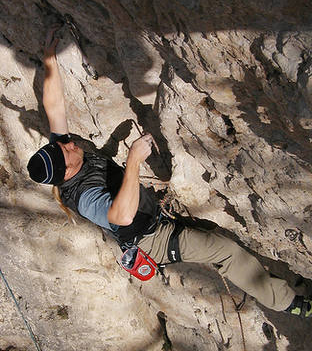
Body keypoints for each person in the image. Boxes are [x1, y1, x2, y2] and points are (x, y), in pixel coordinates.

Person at [27, 27, 312, 319]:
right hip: (152, 240)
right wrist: (135, 160)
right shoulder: (84, 197)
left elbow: (54, 106)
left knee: (214, 235)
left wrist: (49, 58)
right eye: (67, 149)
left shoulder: (63, 156)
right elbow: (121, 217)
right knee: (226, 252)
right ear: (68, 170)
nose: (71, 143)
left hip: (151, 219)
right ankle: (294, 304)